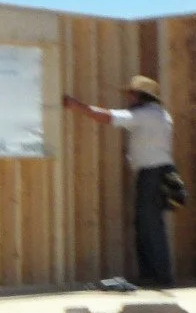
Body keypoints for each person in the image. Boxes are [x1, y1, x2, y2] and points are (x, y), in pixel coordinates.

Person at [64, 75, 177, 287]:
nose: (129, 98)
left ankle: (158, 276)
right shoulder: (160, 115)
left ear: (140, 96)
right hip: (161, 173)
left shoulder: (146, 115)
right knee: (150, 224)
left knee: (149, 225)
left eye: (131, 94)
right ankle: (154, 274)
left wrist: (77, 106)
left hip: (152, 175)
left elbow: (108, 117)